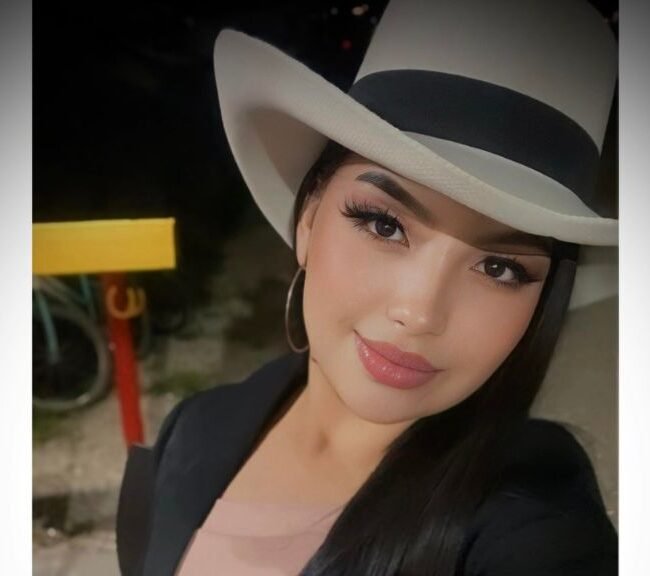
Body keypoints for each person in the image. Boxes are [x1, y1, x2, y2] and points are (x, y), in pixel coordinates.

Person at [116, 0, 618, 574]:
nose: (419, 311)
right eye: (384, 225)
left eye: (500, 268)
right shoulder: (196, 428)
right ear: (307, 219)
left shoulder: (538, 521)